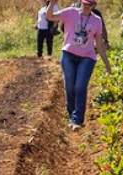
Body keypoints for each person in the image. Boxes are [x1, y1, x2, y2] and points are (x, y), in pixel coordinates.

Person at [46, 0, 111, 131]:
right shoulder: (70, 12)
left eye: (89, 5)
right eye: (84, 4)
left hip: (87, 58)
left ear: (93, 6)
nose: (86, 7)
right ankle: (71, 115)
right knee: (69, 87)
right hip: (68, 55)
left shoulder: (97, 20)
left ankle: (77, 120)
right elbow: (50, 17)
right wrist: (52, 4)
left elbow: (98, 44)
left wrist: (106, 63)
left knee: (80, 87)